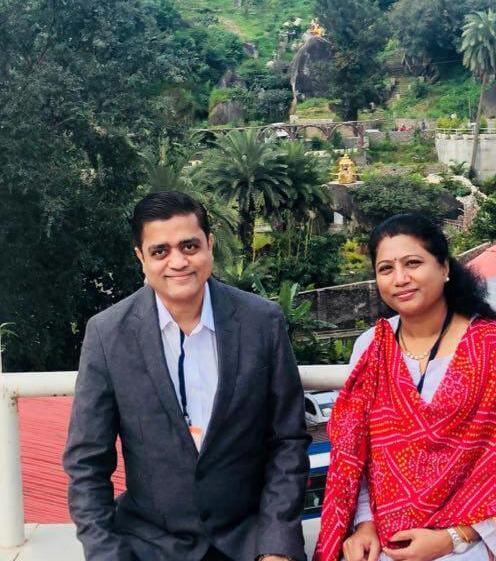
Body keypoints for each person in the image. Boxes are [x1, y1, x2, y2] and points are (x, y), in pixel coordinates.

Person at [314, 214, 496, 561]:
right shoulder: (370, 348)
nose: (400, 278)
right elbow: (358, 455)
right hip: (387, 546)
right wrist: (364, 524)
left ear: (444, 267)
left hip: (477, 547)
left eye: (413, 263)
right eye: (386, 269)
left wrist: (453, 538)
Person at [63, 191, 310, 561]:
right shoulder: (108, 334)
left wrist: (277, 547)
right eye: (160, 251)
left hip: (249, 539)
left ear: (209, 244)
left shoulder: (261, 322)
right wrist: (106, 554)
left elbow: (287, 441)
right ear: (141, 258)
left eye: (189, 246)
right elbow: (87, 463)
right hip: (149, 544)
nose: (178, 262)